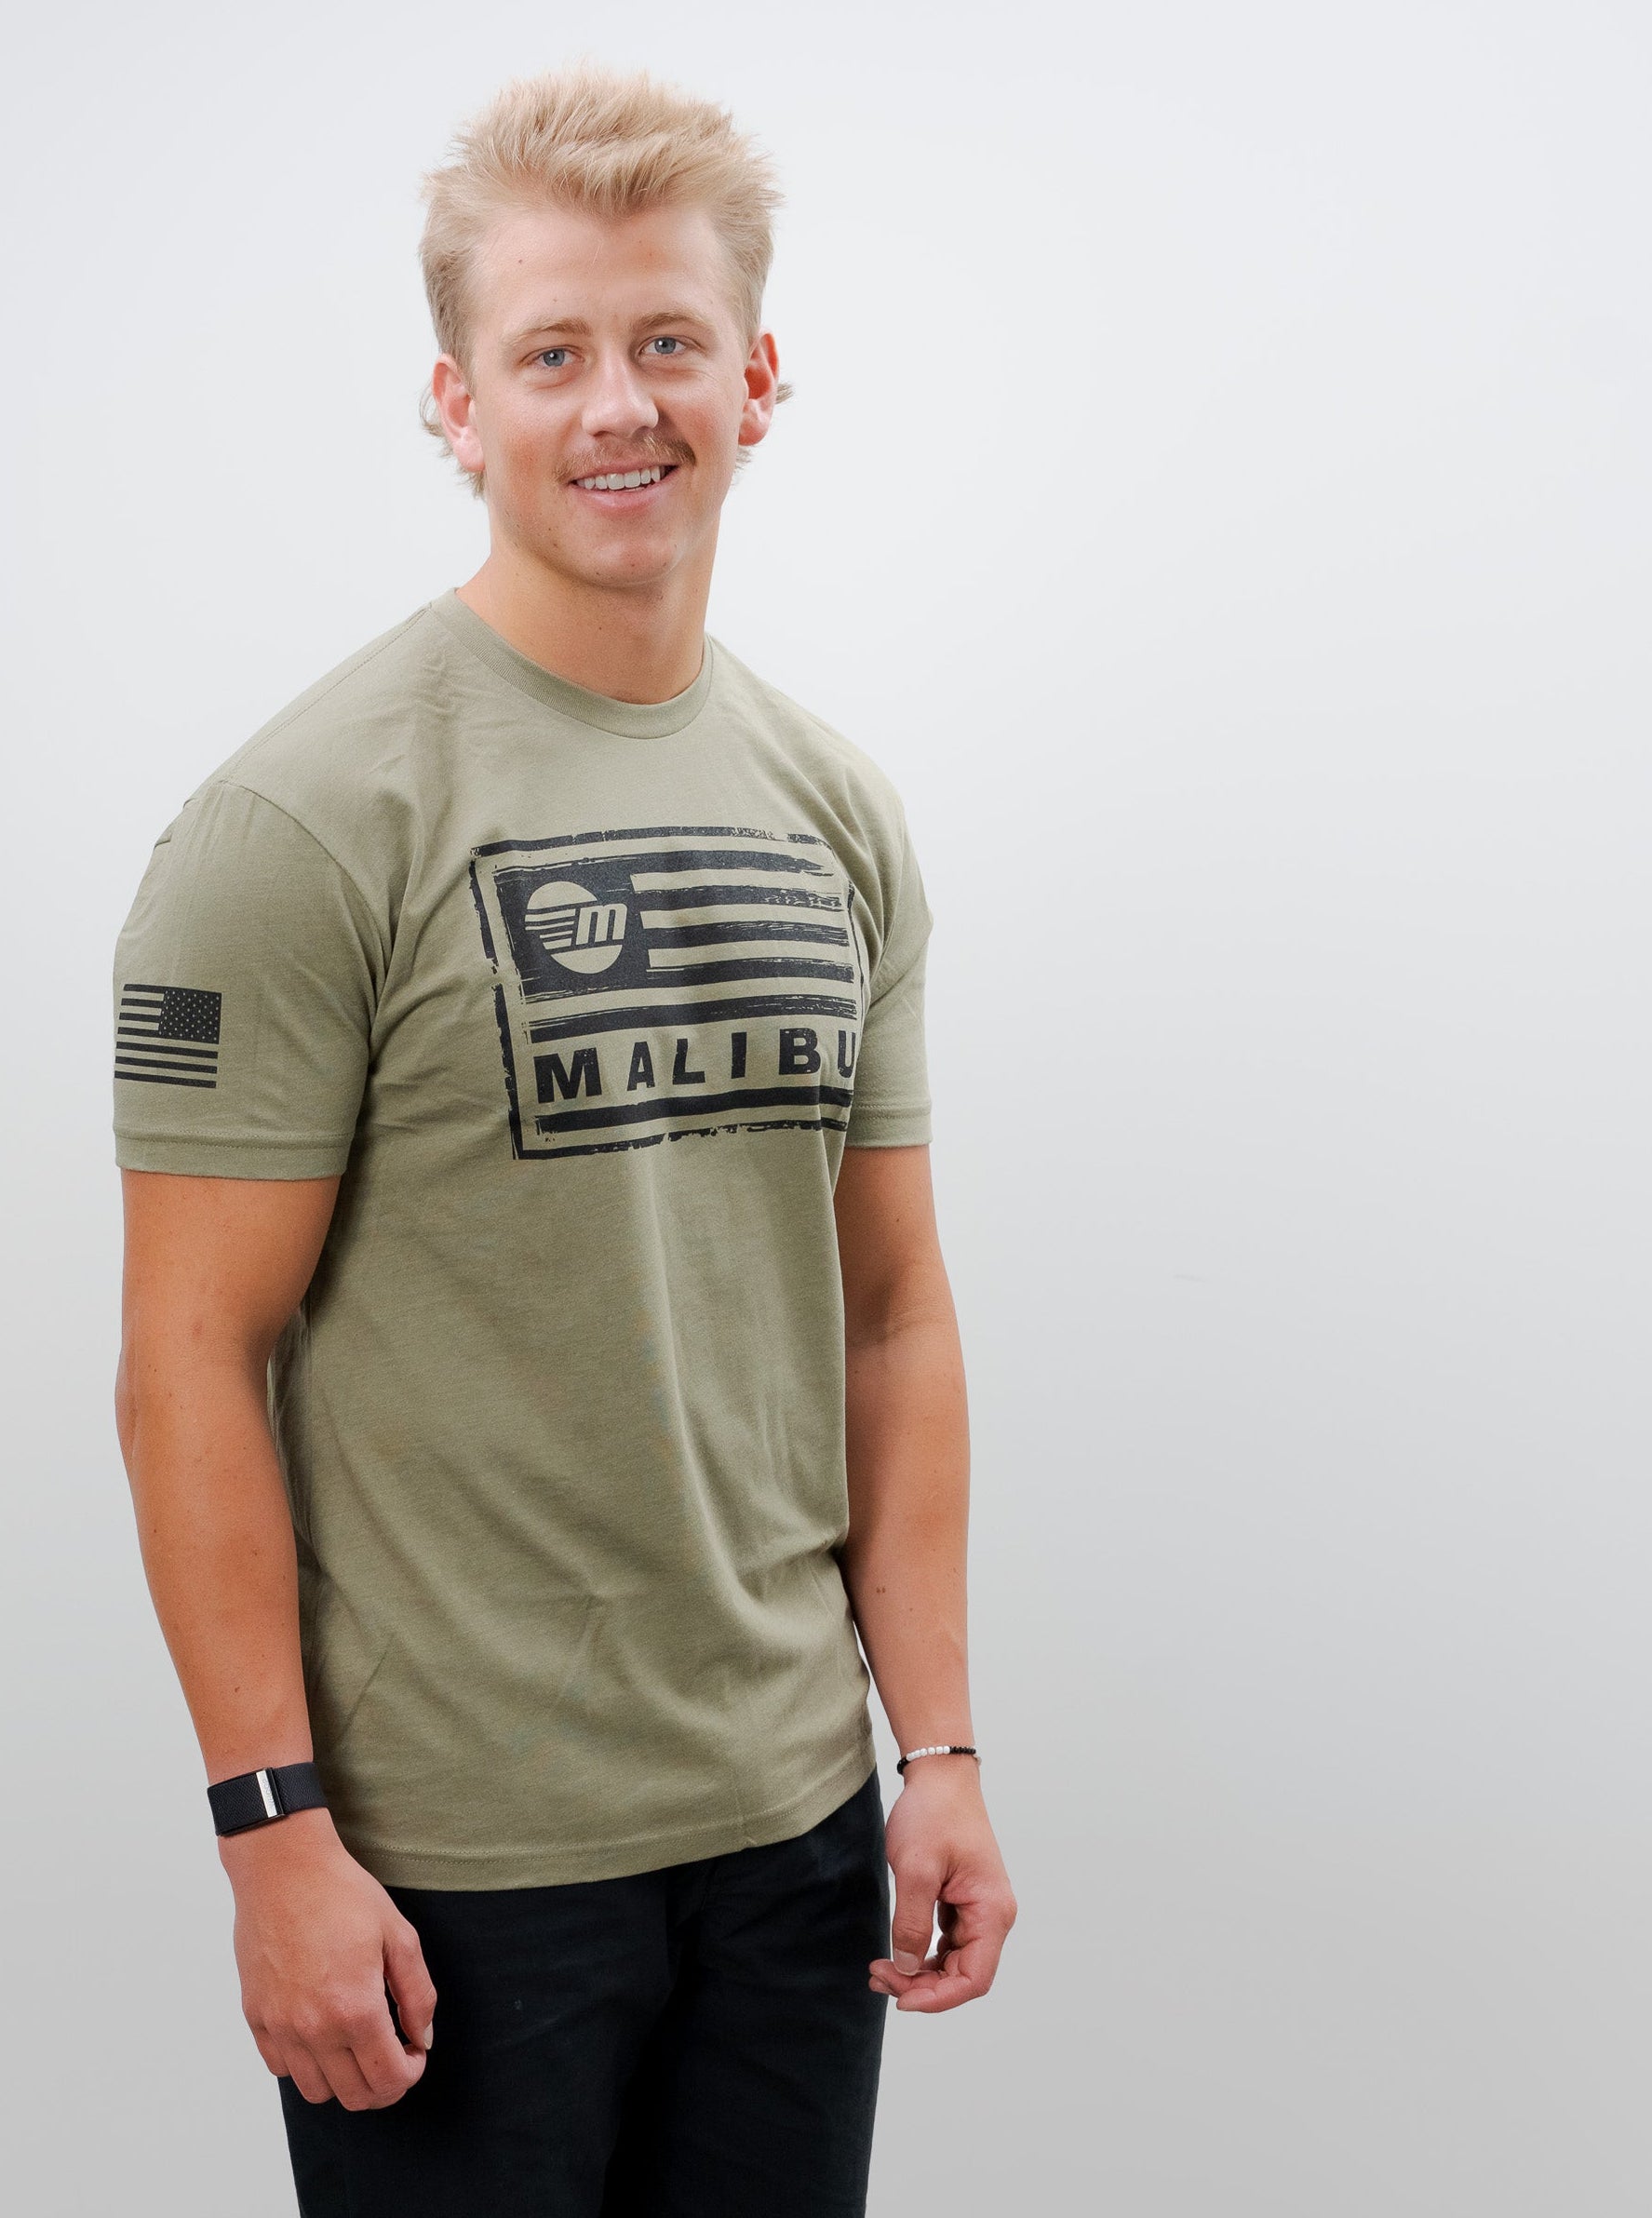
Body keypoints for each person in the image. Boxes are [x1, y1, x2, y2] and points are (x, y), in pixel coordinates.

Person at [111, 65, 1015, 2217]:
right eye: (552, 355)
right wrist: (272, 1836)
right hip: (453, 1871)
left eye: (668, 341)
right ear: (457, 404)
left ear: (756, 378)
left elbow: (890, 1313)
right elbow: (186, 1360)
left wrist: (938, 1750)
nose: (619, 405)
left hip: (793, 1837)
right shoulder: (300, 822)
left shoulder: (833, 806)